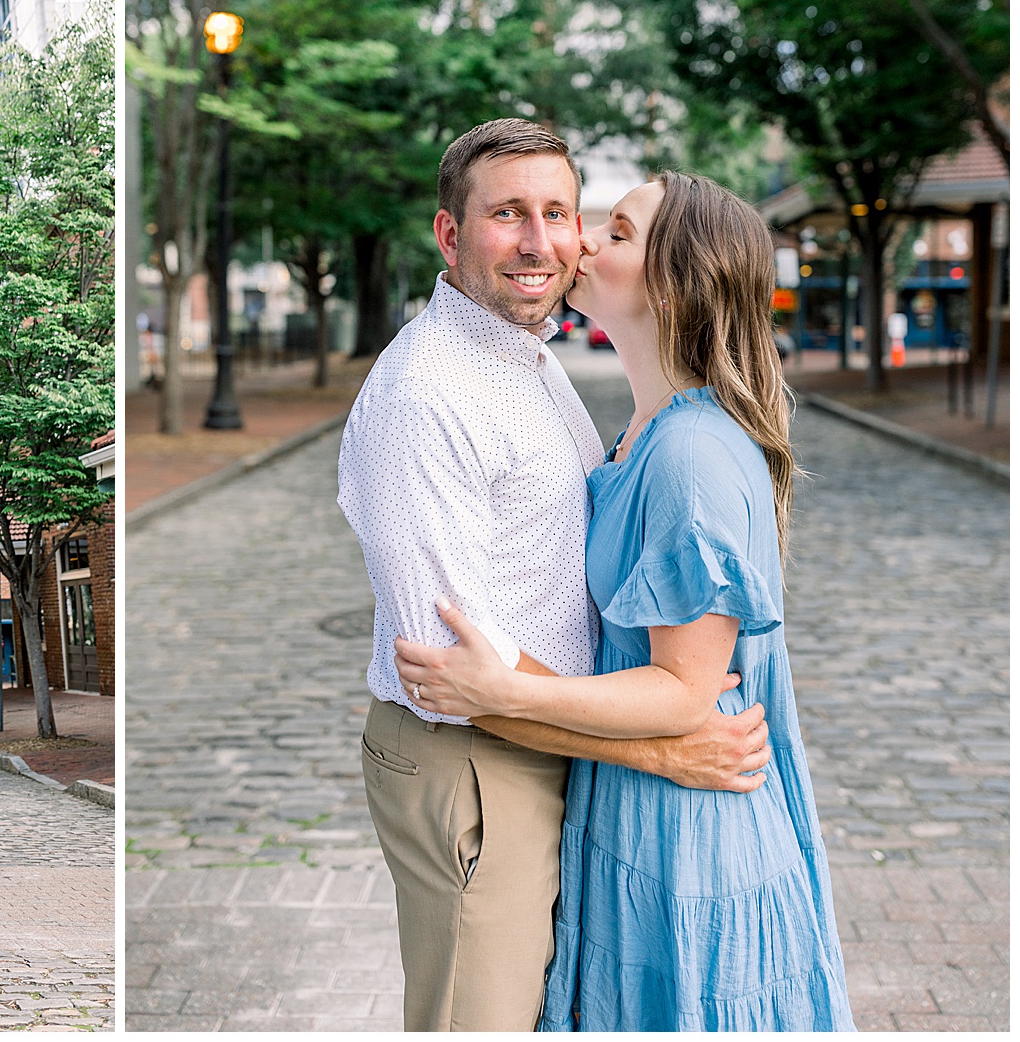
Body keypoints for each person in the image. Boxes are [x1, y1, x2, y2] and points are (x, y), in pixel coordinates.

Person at [337, 120, 772, 1031]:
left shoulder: (525, 356)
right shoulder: (427, 396)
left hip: (548, 741)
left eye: (559, 213)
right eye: (507, 214)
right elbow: (452, 673)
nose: (539, 241)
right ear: (450, 236)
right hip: (478, 763)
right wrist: (657, 751)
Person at [397, 172, 854, 1029]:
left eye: (616, 231)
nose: (583, 243)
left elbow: (685, 690)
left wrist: (505, 691)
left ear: (675, 281)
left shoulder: (690, 454)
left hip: (688, 840)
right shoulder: (644, 430)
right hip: (637, 806)